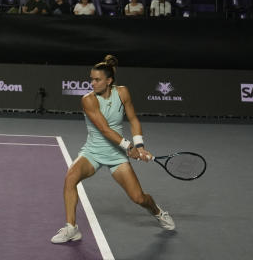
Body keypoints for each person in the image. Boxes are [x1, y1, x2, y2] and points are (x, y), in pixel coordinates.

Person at [51, 55, 174, 244]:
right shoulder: (88, 100)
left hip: (116, 155)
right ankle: (71, 228)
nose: (92, 83)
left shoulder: (123, 93)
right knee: (70, 179)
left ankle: (158, 212)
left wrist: (139, 145)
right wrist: (129, 147)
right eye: (91, 79)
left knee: (139, 198)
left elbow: (133, 119)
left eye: (97, 79)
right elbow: (104, 129)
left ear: (109, 81)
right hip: (92, 152)